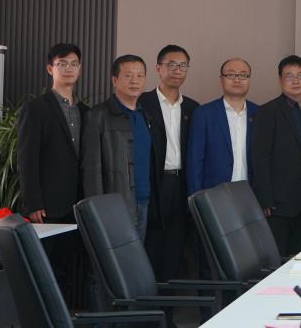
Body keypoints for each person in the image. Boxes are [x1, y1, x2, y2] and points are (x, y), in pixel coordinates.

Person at [16, 43, 87, 302]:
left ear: (80, 69)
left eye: (73, 64)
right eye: (62, 64)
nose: (68, 69)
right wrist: (33, 202)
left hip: (77, 203)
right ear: (50, 69)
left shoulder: (85, 111)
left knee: (67, 267)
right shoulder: (35, 108)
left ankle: (64, 315)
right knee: (45, 269)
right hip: (47, 206)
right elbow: (26, 158)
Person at [138, 44, 199, 282]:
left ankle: (168, 302)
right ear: (158, 68)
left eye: (183, 65)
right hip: (154, 182)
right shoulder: (142, 103)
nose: (177, 70)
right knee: (150, 243)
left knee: (176, 245)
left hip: (181, 183)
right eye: (171, 64)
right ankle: (147, 302)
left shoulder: (193, 108)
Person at [82, 54, 154, 240]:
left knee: (136, 256)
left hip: (144, 201)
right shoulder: (98, 115)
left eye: (140, 76)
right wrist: (98, 208)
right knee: (115, 257)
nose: (135, 81)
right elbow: (91, 169)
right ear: (115, 80)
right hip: (115, 205)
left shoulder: (145, 115)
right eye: (128, 75)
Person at [254, 55, 301, 257]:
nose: (295, 81)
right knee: (277, 259)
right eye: (289, 76)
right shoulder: (267, 112)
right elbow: (260, 158)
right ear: (280, 80)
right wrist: (265, 199)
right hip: (277, 204)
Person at [186, 58, 259, 195]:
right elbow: (194, 161)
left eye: (243, 75)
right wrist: (197, 199)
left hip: (251, 194)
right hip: (214, 195)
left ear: (249, 79)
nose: (237, 79)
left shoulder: (259, 114)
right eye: (230, 74)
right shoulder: (203, 114)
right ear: (221, 80)